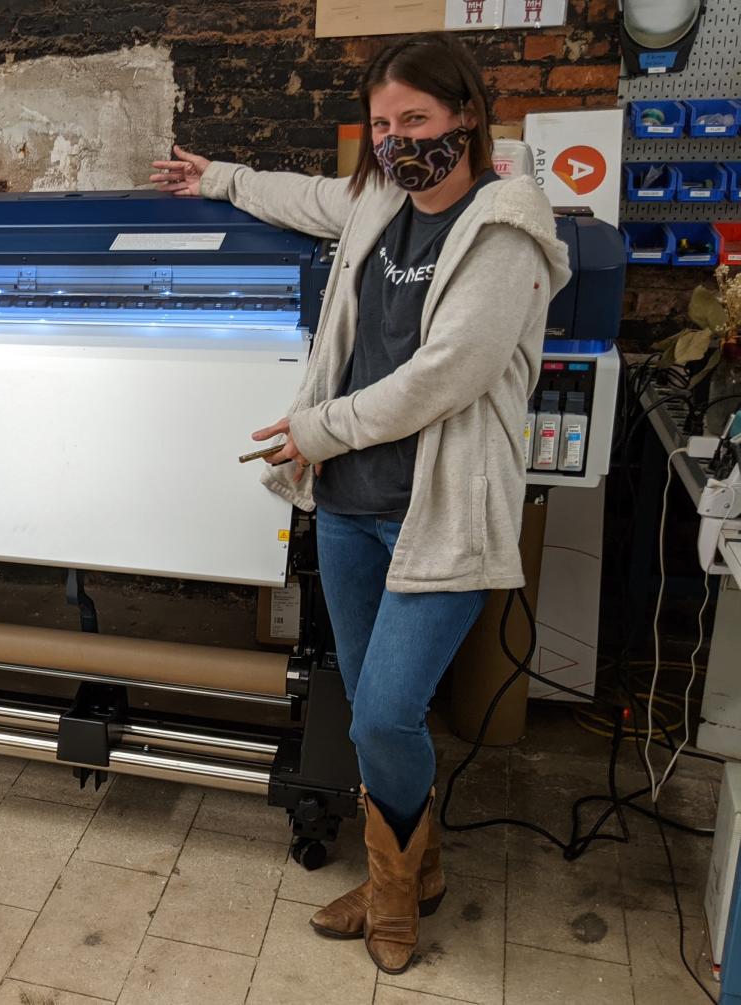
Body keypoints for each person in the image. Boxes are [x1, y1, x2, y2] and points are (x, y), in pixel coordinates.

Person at [152, 33, 569, 974]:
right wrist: (215, 176)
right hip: (347, 507)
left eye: (415, 119)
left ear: (465, 116)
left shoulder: (508, 225)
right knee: (368, 701)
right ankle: (414, 872)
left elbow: (445, 375)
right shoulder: (380, 200)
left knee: (385, 711)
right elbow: (300, 196)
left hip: (440, 509)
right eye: (382, 123)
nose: (396, 139)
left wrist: (318, 429)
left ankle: (392, 892)